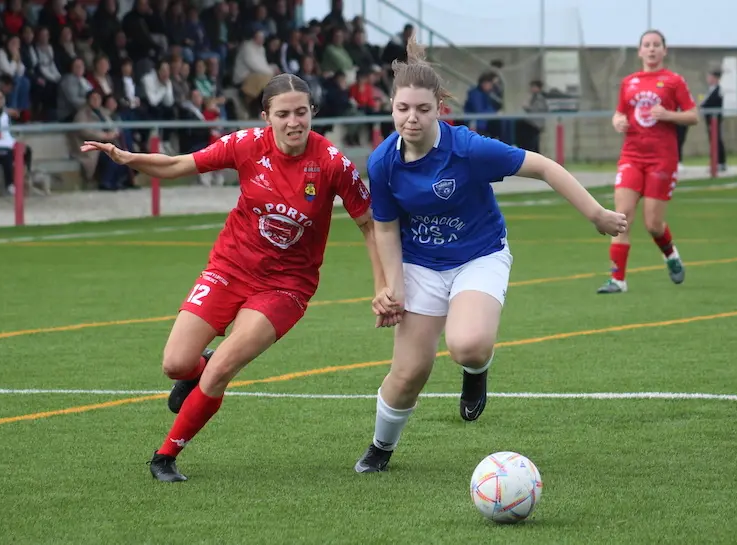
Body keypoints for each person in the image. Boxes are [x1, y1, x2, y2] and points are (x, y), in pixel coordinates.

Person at [81, 74, 387, 482]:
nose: (294, 121)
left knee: (222, 369)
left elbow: (369, 225)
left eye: (301, 112)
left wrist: (383, 287)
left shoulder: (332, 163)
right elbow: (178, 164)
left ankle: (165, 456)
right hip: (230, 268)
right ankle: (199, 370)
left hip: (286, 286)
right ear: (267, 117)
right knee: (175, 364)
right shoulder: (245, 145)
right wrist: (125, 157)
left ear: (313, 112)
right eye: (283, 114)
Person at [352, 36, 628, 473]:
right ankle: (380, 448)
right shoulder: (383, 161)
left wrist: (596, 214)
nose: (412, 118)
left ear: (439, 107)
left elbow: (543, 166)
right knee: (409, 373)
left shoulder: (468, 149)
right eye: (403, 108)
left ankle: (477, 373)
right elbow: (384, 228)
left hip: (479, 255)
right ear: (391, 107)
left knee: (469, 346)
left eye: (423, 109)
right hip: (420, 262)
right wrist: (393, 289)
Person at [597, 29, 698, 295]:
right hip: (632, 156)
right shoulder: (629, 82)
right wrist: (617, 120)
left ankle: (670, 254)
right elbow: (620, 113)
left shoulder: (673, 81)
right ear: (639, 51)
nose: (651, 49)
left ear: (664, 50)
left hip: (662, 159)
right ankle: (617, 280)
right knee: (622, 217)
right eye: (647, 45)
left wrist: (668, 115)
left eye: (656, 45)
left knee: (653, 223)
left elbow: (693, 115)